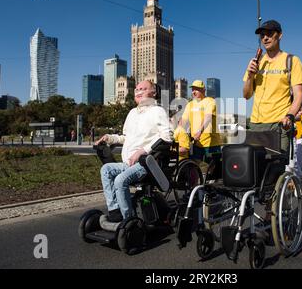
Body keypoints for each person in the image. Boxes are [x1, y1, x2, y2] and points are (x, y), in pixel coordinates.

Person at [95, 80, 172, 223]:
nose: (138, 91)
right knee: (106, 169)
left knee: (120, 180)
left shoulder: (158, 111)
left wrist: (143, 151)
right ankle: (115, 211)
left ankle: (129, 219)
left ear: (153, 93)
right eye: (136, 89)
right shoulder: (132, 113)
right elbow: (126, 137)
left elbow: (167, 137)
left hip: (147, 164)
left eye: (143, 88)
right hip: (129, 163)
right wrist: (109, 138)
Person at [242, 19, 302, 154]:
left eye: (270, 34)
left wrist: (289, 116)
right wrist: (250, 76)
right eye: (262, 35)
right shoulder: (256, 61)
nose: (265, 38)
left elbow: (299, 94)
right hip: (256, 124)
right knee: (254, 168)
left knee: (276, 166)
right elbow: (246, 95)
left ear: (280, 35)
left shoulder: (292, 60)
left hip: (279, 123)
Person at [179, 80, 221, 162]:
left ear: (203, 90)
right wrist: (178, 131)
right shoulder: (190, 104)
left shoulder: (210, 101)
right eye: (192, 89)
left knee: (213, 170)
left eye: (196, 89)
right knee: (195, 168)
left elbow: (208, 117)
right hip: (197, 143)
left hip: (211, 144)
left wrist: (199, 131)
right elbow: (183, 120)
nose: (193, 92)